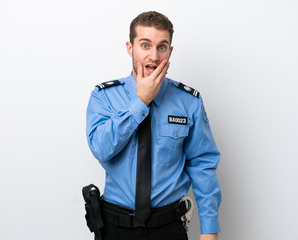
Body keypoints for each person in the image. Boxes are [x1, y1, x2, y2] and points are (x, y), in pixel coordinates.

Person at [86, 11, 221, 240]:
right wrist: (141, 101)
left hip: (168, 227)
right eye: (145, 45)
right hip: (114, 227)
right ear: (130, 48)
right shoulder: (104, 97)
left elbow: (202, 165)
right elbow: (101, 148)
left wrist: (209, 229)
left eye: (162, 47)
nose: (154, 56)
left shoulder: (189, 102)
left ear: (170, 51)